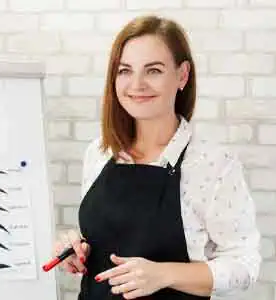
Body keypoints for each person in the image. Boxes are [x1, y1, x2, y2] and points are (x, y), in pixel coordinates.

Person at [53, 15, 261, 300]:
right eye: (125, 70)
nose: (136, 84)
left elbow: (245, 265)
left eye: (153, 70)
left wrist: (163, 274)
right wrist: (77, 249)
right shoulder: (99, 152)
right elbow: (112, 238)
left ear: (182, 75)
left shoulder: (213, 164)